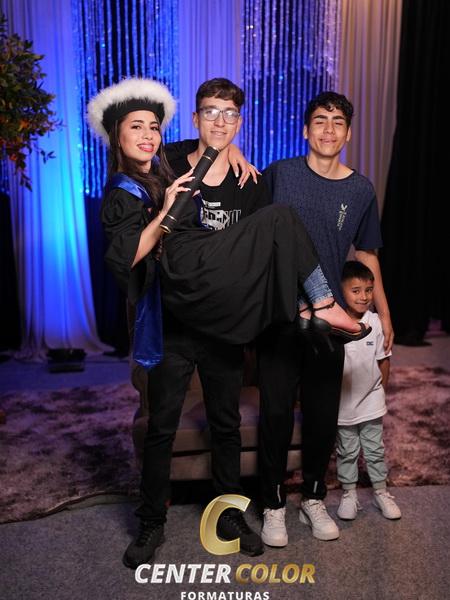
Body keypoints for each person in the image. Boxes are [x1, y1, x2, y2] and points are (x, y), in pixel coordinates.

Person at [87, 79, 369, 567]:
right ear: (195, 119)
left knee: (226, 423)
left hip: (222, 321)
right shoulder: (162, 164)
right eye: (210, 114)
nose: (220, 122)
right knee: (161, 426)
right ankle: (151, 522)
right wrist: (187, 183)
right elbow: (130, 240)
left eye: (230, 116)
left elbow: (260, 251)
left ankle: (227, 514)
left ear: (239, 122)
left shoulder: (240, 179)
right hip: (174, 321)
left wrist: (228, 151)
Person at [258, 91, 394, 547]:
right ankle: (273, 503)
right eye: (320, 120)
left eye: (337, 122)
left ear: (348, 133)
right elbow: (255, 237)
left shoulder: (360, 190)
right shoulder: (280, 174)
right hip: (279, 316)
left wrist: (384, 315)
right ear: (305, 130)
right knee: (276, 413)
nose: (328, 130)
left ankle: (313, 497)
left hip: (330, 322)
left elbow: (368, 256)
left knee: (321, 415)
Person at [336, 261, 401, 521]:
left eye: (369, 290)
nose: (364, 296)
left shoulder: (375, 322)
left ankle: (381, 492)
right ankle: (349, 494)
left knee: (375, 449)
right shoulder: (335, 324)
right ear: (341, 290)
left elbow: (384, 362)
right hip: (343, 403)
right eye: (356, 290)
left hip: (371, 401)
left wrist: (380, 392)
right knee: (347, 450)